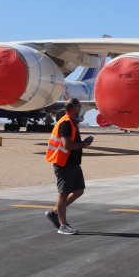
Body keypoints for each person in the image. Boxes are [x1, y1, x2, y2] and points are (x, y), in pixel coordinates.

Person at [45, 98, 93, 235]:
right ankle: (63, 225)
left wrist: (83, 144)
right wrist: (83, 145)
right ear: (73, 108)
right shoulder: (65, 123)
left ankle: (55, 212)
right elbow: (67, 145)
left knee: (79, 190)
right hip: (64, 163)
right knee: (63, 193)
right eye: (79, 108)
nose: (80, 111)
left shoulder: (72, 122)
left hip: (73, 163)